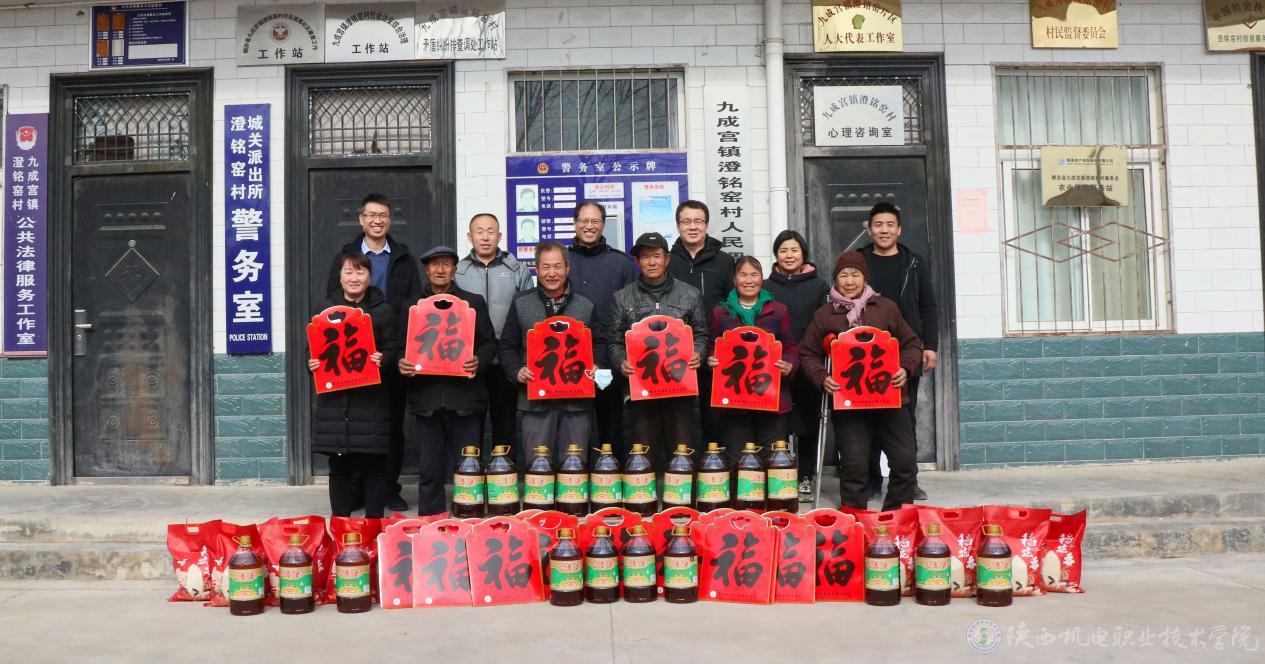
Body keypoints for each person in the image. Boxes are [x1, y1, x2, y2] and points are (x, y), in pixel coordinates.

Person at [799, 251, 922, 512]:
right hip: (849, 403)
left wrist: (905, 367)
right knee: (854, 465)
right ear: (836, 280)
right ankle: (855, 519)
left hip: (890, 398)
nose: (849, 281)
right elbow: (807, 353)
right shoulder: (825, 314)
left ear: (864, 278)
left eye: (855, 274)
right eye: (843, 275)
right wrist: (822, 377)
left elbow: (911, 344)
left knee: (905, 462)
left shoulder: (886, 308)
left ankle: (896, 518)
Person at [323, 193, 421, 513]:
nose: (377, 221)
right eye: (371, 215)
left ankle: (388, 487)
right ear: (361, 219)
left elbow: (414, 306)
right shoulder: (346, 255)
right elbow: (331, 301)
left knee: (390, 425)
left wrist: (399, 348)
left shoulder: (404, 258)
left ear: (389, 220)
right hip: (351, 355)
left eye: (383, 216)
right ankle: (355, 489)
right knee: (353, 424)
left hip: (389, 350)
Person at [399, 246, 497, 516]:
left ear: (455, 269)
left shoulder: (473, 303)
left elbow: (489, 343)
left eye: (446, 264)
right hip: (427, 399)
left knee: (468, 468)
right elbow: (398, 346)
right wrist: (401, 362)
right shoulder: (412, 307)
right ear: (426, 270)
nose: (440, 270)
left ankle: (468, 517)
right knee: (429, 468)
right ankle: (431, 520)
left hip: (465, 398)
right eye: (434, 264)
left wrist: (478, 360)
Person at [310, 250, 400, 518]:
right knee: (339, 468)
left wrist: (383, 358)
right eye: (348, 272)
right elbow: (311, 350)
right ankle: (341, 526)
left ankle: (373, 526)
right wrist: (310, 363)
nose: (354, 278)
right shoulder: (324, 310)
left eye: (360, 272)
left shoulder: (383, 310)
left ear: (369, 276)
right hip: (335, 404)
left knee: (374, 466)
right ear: (339, 276)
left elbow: (394, 349)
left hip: (371, 401)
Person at [859, 202, 938, 502]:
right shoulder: (860, 261)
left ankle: (906, 480)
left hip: (906, 350)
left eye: (890, 224)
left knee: (905, 418)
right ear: (870, 229)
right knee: (866, 418)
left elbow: (928, 305)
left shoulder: (914, 262)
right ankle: (870, 480)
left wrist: (930, 346)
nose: (884, 230)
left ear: (899, 229)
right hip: (866, 353)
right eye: (878, 225)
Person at [608, 232, 708, 467]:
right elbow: (613, 341)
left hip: (679, 387)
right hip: (641, 388)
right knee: (643, 457)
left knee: (682, 455)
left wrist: (698, 353)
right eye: (645, 257)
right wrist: (621, 361)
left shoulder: (690, 294)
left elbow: (701, 334)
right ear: (637, 262)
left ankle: (681, 490)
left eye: (656, 256)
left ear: (667, 259)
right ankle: (644, 492)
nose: (651, 262)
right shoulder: (622, 297)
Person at [498, 242, 603, 460]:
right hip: (535, 403)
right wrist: (516, 370)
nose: (552, 273)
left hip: (577, 403)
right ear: (537, 269)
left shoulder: (586, 304)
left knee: (574, 468)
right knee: (537, 468)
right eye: (545, 267)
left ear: (567, 268)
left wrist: (598, 365)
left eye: (557, 266)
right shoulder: (521, 302)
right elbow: (507, 345)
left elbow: (600, 343)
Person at [454, 213, 535, 462]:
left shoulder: (516, 269)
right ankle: (470, 475)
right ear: (469, 237)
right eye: (479, 231)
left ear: (499, 236)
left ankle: (505, 476)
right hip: (471, 361)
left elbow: (529, 311)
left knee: (505, 425)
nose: (485, 237)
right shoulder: (458, 272)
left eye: (491, 231)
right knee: (470, 425)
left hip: (506, 362)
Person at [706, 256, 798, 459]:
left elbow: (791, 346)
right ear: (734, 279)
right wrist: (711, 359)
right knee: (738, 458)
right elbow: (713, 346)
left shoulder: (778, 311)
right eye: (743, 275)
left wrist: (789, 364)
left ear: (761, 278)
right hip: (735, 400)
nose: (749, 280)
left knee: (772, 457)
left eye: (754, 275)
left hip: (771, 398)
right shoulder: (721, 312)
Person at [763, 230, 831, 501]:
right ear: (776, 255)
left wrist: (807, 353)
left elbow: (825, 323)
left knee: (808, 422)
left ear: (803, 254)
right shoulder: (766, 287)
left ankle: (805, 476)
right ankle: (778, 475)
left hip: (810, 362)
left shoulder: (819, 286)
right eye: (783, 250)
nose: (789, 255)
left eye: (794, 250)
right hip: (774, 364)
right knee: (776, 421)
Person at [567, 200, 637, 454]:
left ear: (603, 224)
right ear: (575, 224)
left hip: (608, 360)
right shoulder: (561, 260)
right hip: (569, 359)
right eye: (584, 221)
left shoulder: (621, 263)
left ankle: (611, 473)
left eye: (595, 221)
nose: (589, 226)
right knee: (575, 424)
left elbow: (633, 312)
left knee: (610, 425)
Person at [667, 200, 735, 445]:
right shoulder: (668, 261)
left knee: (714, 418)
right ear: (678, 226)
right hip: (674, 352)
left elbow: (732, 306)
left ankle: (713, 464)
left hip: (714, 351)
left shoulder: (725, 262)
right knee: (679, 417)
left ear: (706, 225)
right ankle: (681, 464)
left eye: (698, 221)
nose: (692, 227)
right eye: (686, 221)